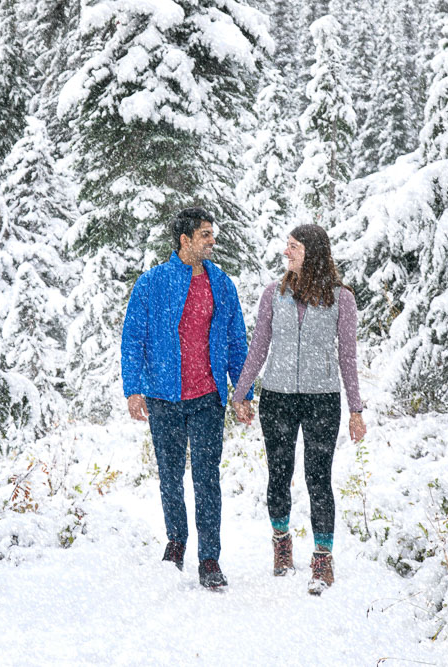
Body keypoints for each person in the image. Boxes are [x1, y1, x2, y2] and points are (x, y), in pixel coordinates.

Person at [121, 207, 252, 590]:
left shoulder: (221, 283)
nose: (212, 240)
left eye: (212, 234)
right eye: (205, 235)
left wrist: (242, 391)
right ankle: (176, 541)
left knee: (207, 479)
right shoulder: (153, 283)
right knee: (171, 476)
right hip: (165, 396)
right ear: (185, 240)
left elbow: (235, 341)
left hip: (207, 397)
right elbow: (133, 338)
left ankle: (209, 558)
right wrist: (134, 388)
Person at [232, 223, 366, 596]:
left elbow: (348, 357)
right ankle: (281, 541)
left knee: (318, 477)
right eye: (286, 246)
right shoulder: (273, 294)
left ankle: (322, 556)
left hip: (323, 397)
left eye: (293, 247)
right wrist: (241, 394)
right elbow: (258, 346)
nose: (286, 252)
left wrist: (356, 409)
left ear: (313, 252)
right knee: (279, 472)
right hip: (277, 396)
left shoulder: (342, 299)